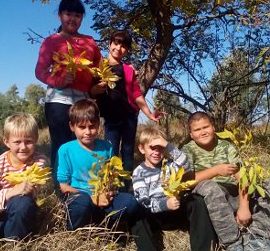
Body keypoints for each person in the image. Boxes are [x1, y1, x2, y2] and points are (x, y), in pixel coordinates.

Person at [55, 99, 157, 250]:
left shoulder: (106, 147)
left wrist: (109, 192)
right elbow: (63, 186)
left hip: (103, 198)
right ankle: (76, 231)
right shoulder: (65, 150)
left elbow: (112, 178)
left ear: (98, 124)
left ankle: (109, 225)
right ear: (72, 127)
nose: (88, 132)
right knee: (81, 203)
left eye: (92, 126)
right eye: (81, 127)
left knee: (131, 201)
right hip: (81, 199)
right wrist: (92, 198)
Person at [182, 111, 270, 251]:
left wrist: (243, 206)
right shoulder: (187, 150)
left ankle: (258, 239)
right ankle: (232, 243)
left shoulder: (226, 146)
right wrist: (216, 170)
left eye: (206, 127)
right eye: (197, 130)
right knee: (209, 186)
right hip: (211, 198)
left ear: (213, 127)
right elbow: (186, 181)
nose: (203, 132)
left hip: (233, 193)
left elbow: (242, 176)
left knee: (267, 184)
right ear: (191, 134)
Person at [35, 0, 102, 169]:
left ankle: (82, 188)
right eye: (68, 14)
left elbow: (100, 70)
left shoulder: (89, 42)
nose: (73, 19)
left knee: (84, 144)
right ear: (60, 16)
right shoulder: (51, 41)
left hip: (83, 101)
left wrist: (99, 85)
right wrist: (58, 80)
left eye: (78, 15)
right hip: (58, 100)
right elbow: (40, 71)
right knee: (62, 146)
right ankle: (62, 190)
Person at [132, 125, 218, 251]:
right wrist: (164, 204)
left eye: (160, 148)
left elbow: (185, 164)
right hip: (155, 217)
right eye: (152, 148)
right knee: (137, 211)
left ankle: (205, 247)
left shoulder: (170, 166)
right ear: (142, 149)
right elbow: (144, 201)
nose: (156, 152)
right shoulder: (138, 172)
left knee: (196, 200)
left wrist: (168, 145)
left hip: (175, 211)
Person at [95, 30, 161, 176]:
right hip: (111, 118)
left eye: (123, 46)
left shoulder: (128, 70)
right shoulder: (99, 67)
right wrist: (98, 87)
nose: (118, 48)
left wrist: (149, 114)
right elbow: (91, 91)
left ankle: (126, 187)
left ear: (127, 50)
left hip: (129, 117)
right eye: (116, 43)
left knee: (127, 152)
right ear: (110, 44)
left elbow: (137, 94)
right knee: (110, 153)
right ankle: (110, 186)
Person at [0, 113, 48, 251]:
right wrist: (10, 192)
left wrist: (18, 193)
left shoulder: (39, 161)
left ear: (36, 139)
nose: (23, 147)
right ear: (6, 142)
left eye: (28, 141)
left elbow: (34, 191)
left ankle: (15, 244)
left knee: (21, 201)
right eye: (17, 142)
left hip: (22, 212)